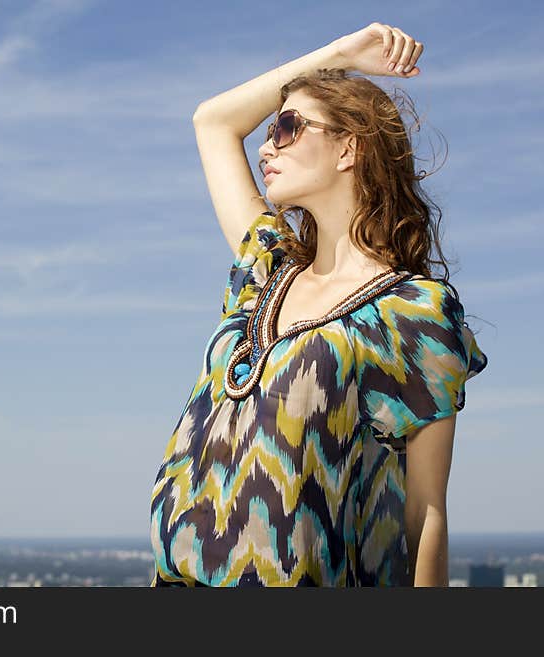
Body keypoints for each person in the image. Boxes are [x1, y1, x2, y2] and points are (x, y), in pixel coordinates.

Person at [148, 22, 488, 587]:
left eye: (287, 128)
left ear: (349, 148)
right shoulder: (267, 271)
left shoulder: (411, 311)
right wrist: (338, 57)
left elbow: (425, 514)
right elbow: (213, 121)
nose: (265, 145)